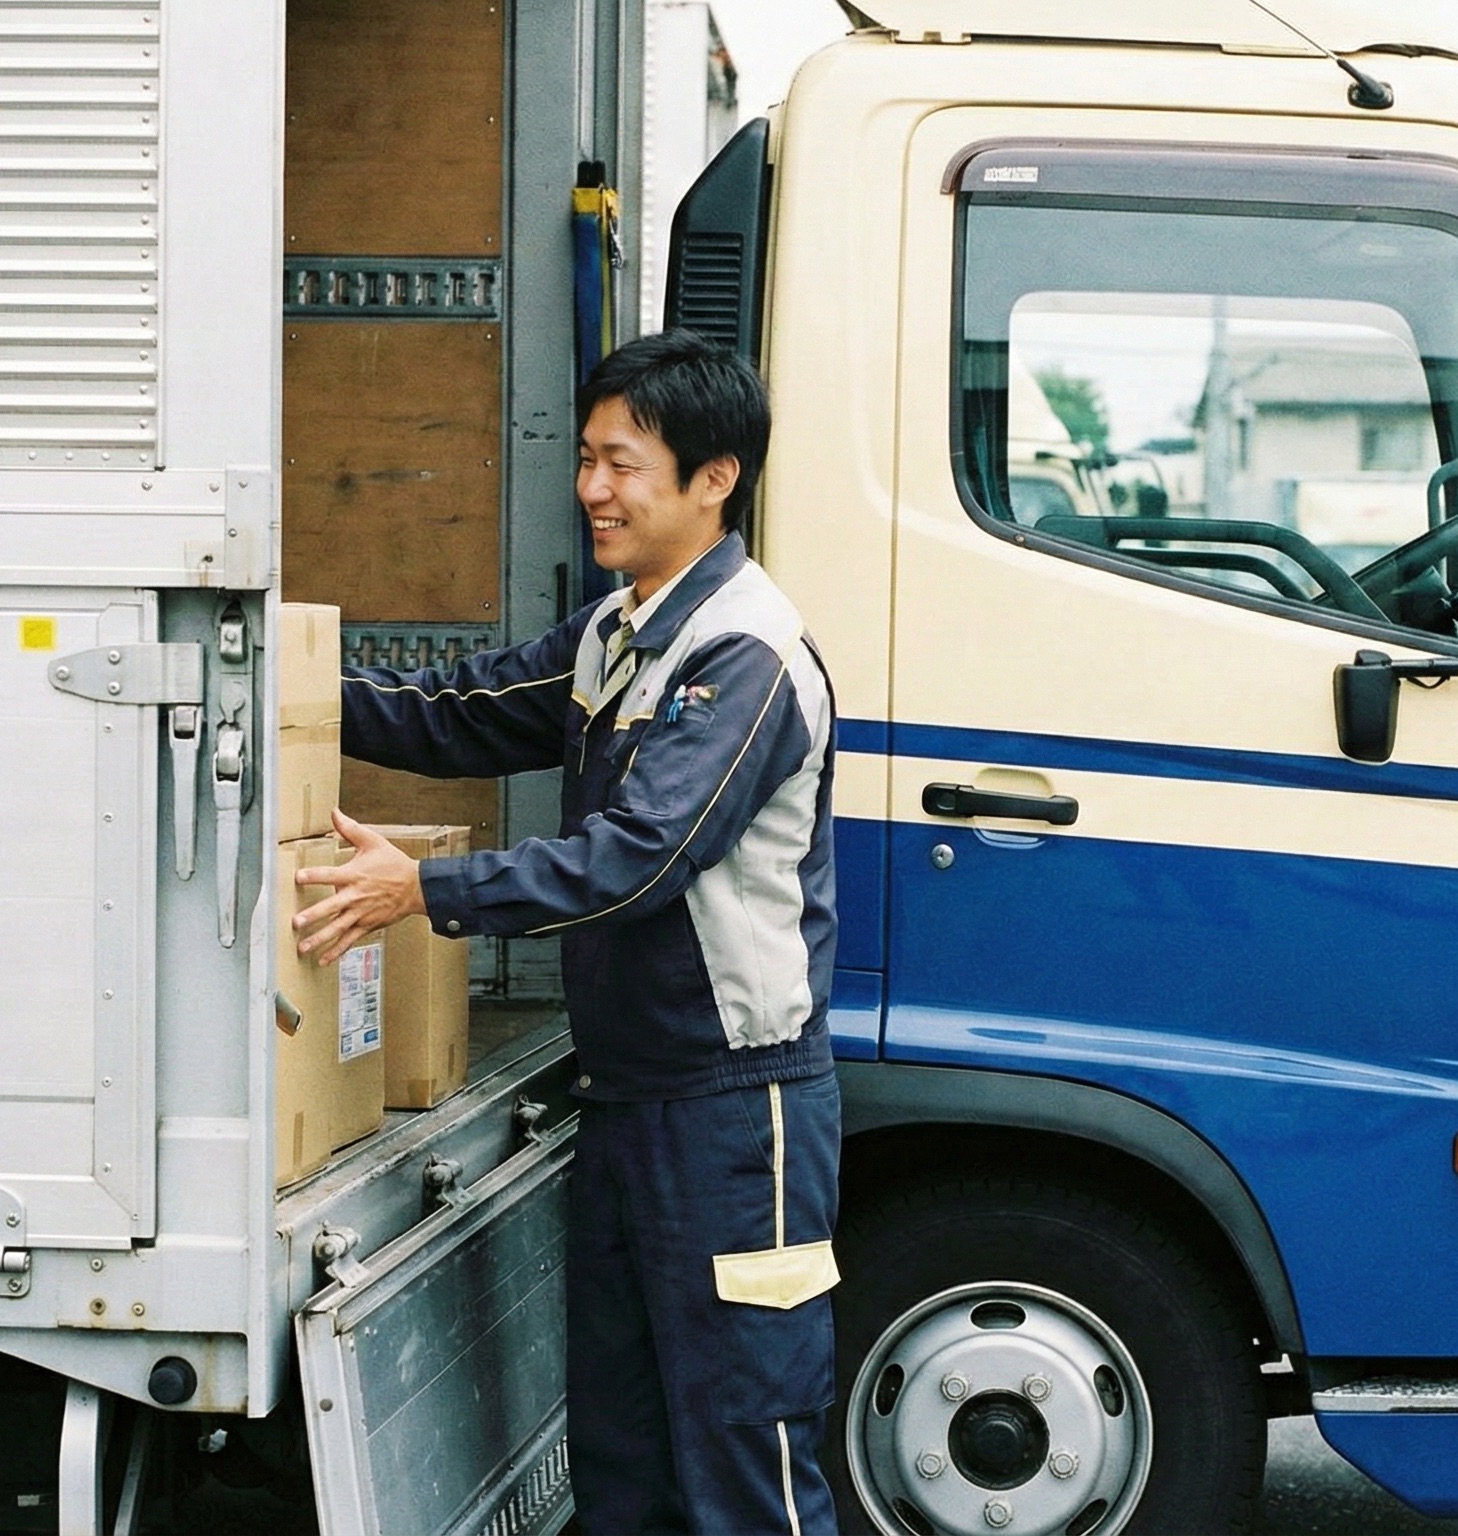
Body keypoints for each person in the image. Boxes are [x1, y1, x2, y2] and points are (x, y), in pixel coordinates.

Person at [295, 330, 843, 1535]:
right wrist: (279, 683)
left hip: (733, 1117)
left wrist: (427, 894)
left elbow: (640, 856)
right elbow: (457, 714)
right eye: (588, 459)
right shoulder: (618, 633)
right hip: (631, 1099)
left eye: (623, 464)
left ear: (715, 479)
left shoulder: (744, 655)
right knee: (622, 1446)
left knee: (746, 1450)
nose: (593, 487)